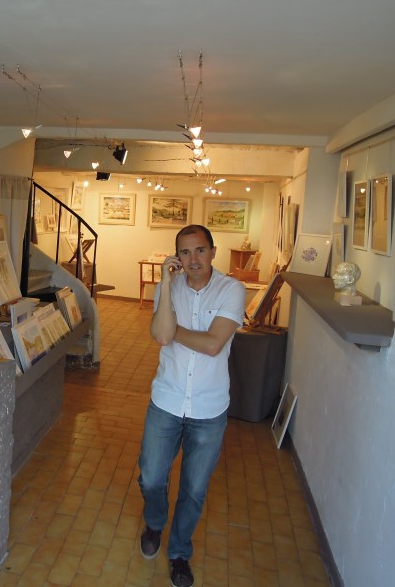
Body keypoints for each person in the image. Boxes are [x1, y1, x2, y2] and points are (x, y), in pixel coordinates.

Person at [138, 224, 246, 587]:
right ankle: (155, 523)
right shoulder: (166, 288)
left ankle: (179, 552)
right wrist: (166, 284)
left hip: (209, 409)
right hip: (166, 400)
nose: (193, 259)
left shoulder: (232, 289)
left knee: (194, 490)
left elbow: (214, 344)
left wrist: (171, 331)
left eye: (200, 250)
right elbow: (160, 336)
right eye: (185, 252)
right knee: (151, 477)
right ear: (177, 257)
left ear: (213, 252)